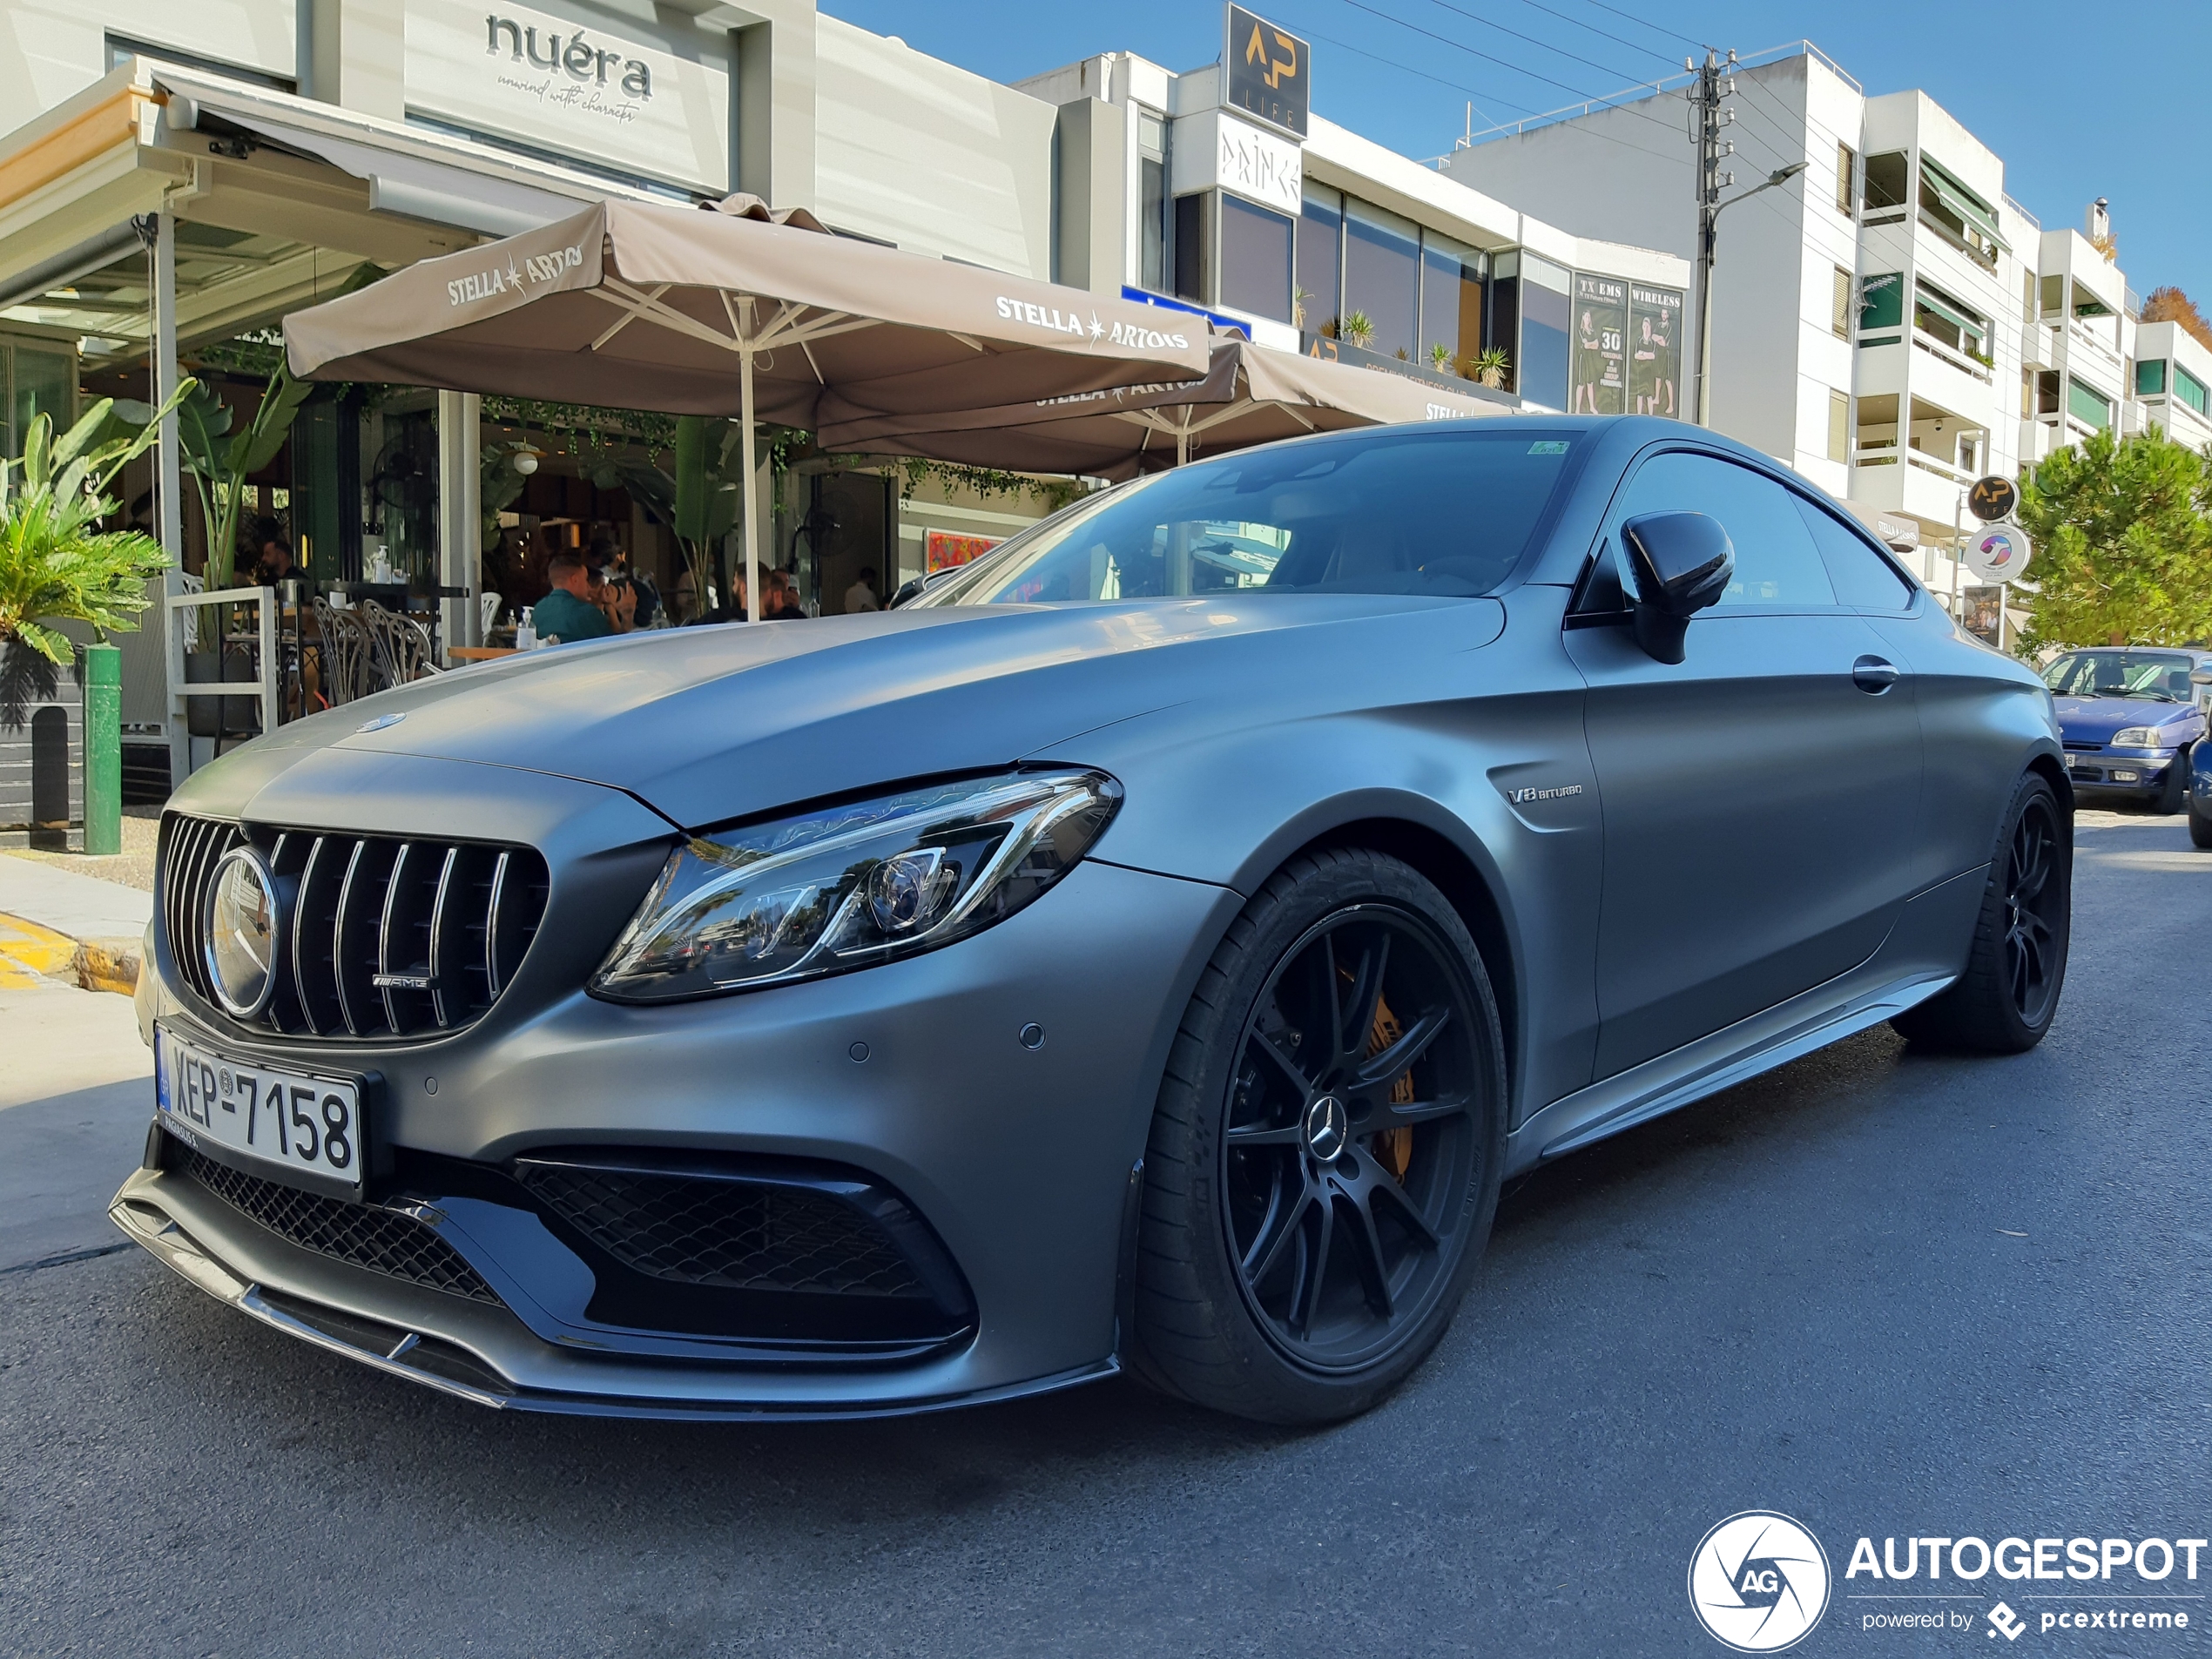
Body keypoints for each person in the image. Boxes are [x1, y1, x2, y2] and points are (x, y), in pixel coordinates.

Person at [531, 549, 614, 643]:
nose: (588, 586)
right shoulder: (588, 613)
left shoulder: (538, 610)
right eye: (586, 579)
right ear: (575, 579)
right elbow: (612, 648)